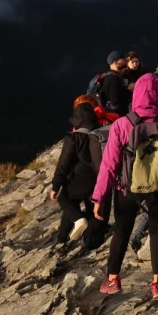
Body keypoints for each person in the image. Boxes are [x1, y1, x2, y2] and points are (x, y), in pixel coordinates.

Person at [92, 73, 158, 300]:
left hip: (127, 188)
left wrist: (99, 198)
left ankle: (113, 280)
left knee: (121, 230)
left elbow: (109, 165)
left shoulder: (121, 124)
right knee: (157, 230)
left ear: (135, 95)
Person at [50, 102, 109, 252]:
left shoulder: (74, 138)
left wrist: (56, 185)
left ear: (78, 120)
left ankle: (76, 222)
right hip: (100, 178)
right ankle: (90, 242)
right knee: (94, 209)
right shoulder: (102, 133)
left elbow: (64, 164)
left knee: (65, 199)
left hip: (79, 178)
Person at [91, 51, 132, 117]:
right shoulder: (113, 78)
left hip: (111, 114)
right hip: (116, 116)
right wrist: (129, 90)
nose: (124, 60)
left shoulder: (108, 75)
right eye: (122, 58)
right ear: (116, 63)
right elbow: (115, 101)